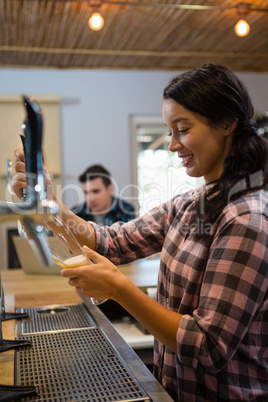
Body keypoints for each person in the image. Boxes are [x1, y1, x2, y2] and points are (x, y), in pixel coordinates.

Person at [12, 64, 268, 402]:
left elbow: (208, 348)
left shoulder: (248, 219)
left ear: (227, 125)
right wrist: (51, 202)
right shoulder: (190, 204)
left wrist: (120, 289)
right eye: (169, 130)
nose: (172, 144)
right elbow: (111, 241)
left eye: (183, 128)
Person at [71, 164, 136, 225]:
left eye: (96, 191)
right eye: (86, 193)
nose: (90, 199)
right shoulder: (75, 213)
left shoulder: (126, 210)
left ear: (110, 189)